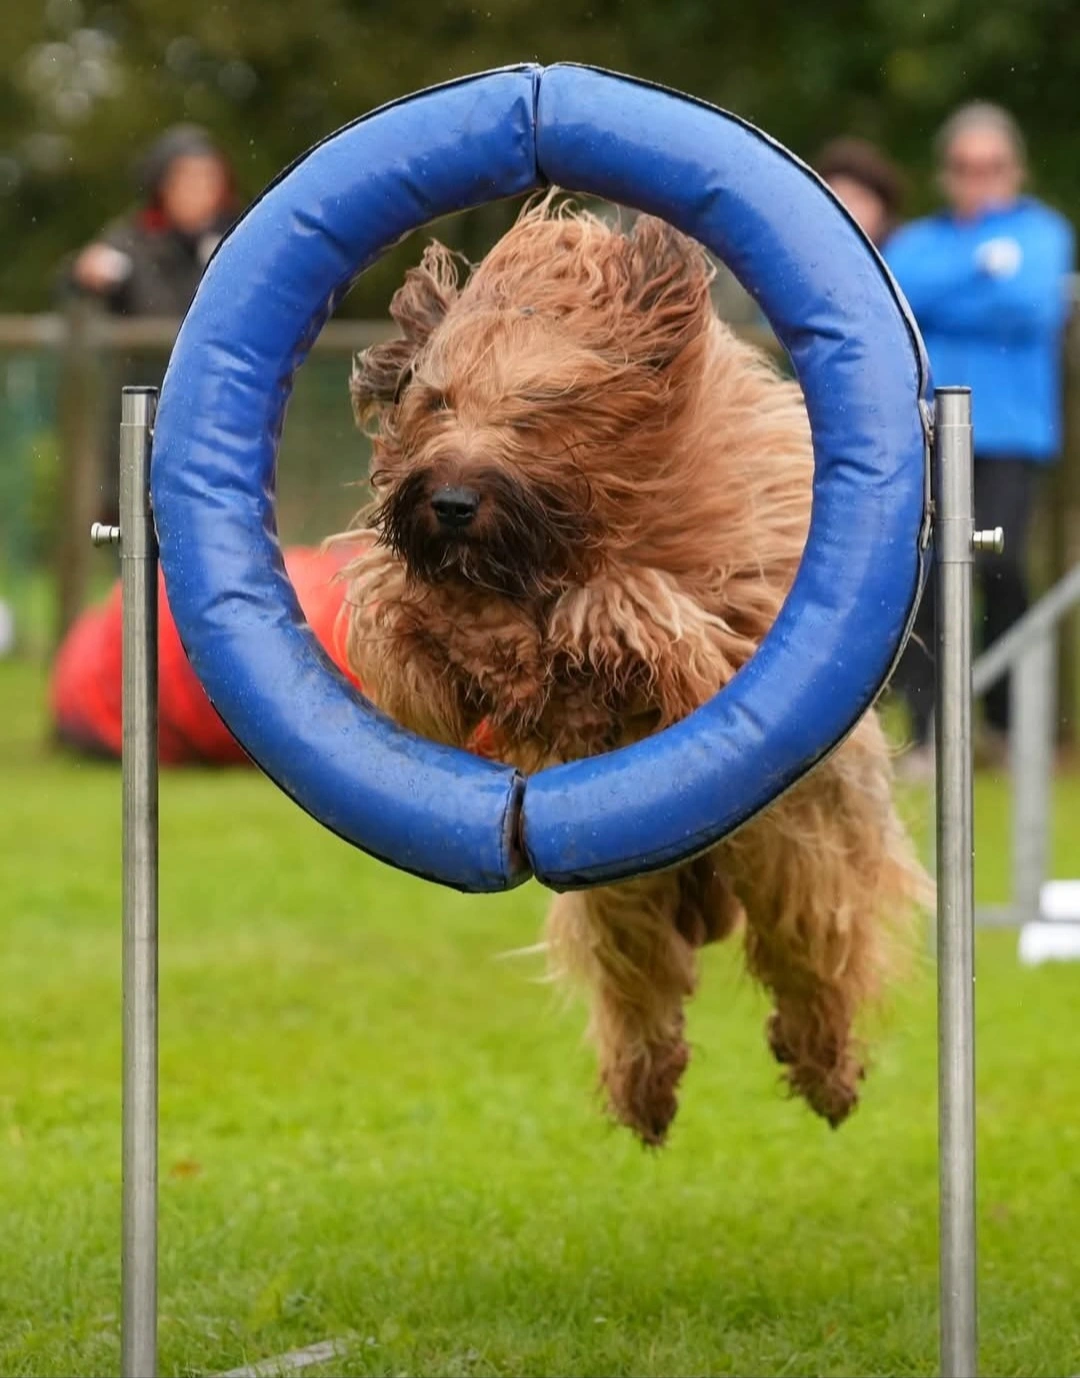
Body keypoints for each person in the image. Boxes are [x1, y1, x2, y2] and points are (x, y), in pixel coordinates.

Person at [884, 103, 1075, 777]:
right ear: (947, 173)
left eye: (992, 167)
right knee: (924, 580)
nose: (980, 180)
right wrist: (980, 270)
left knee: (999, 564)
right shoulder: (921, 242)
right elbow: (898, 293)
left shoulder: (1044, 233)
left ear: (1015, 169)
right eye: (966, 168)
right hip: (928, 433)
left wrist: (947, 298)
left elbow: (1029, 308)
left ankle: (1008, 721)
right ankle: (929, 733)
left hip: (1010, 435)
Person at [65, 123, 239, 316]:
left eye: (209, 177)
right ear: (162, 185)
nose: (199, 189)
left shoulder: (237, 237)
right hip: (147, 344)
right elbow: (73, 285)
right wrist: (85, 274)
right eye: (187, 178)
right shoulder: (134, 240)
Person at [815, 136, 906, 249]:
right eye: (835, 200)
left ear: (883, 205)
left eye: (857, 198)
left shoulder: (911, 255)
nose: (846, 209)